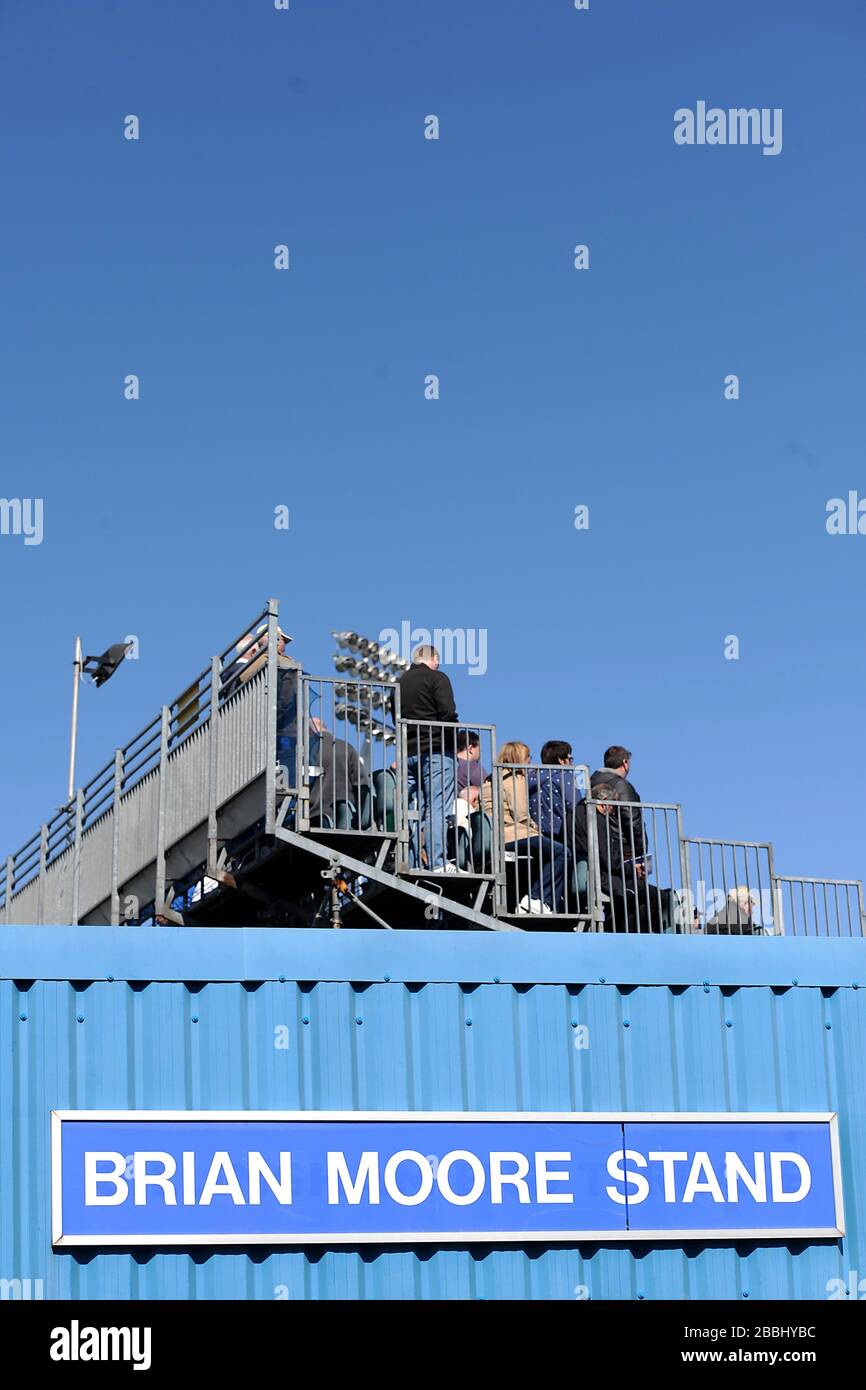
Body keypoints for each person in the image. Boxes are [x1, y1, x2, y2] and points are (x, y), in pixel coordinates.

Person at [481, 741, 566, 914]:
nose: (529, 761)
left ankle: (527, 899)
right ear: (519, 758)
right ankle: (538, 899)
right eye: (528, 757)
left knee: (540, 854)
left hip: (494, 836)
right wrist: (537, 829)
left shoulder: (491, 779)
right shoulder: (516, 778)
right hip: (513, 834)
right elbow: (521, 815)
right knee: (561, 852)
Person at [397, 645, 458, 871]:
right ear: (432, 658)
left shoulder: (399, 682)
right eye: (437, 661)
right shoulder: (437, 677)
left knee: (413, 811)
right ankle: (438, 863)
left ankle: (413, 863)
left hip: (408, 753)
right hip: (436, 750)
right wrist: (454, 735)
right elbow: (448, 712)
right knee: (437, 806)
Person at [306, 717, 370, 828]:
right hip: (344, 820)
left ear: (309, 731)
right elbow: (362, 784)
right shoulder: (346, 748)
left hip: (312, 819)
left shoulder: (304, 751)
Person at [590, 745, 645, 861]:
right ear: (625, 762)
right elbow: (631, 818)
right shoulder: (621, 784)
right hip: (623, 848)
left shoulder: (591, 783)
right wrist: (640, 850)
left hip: (601, 844)